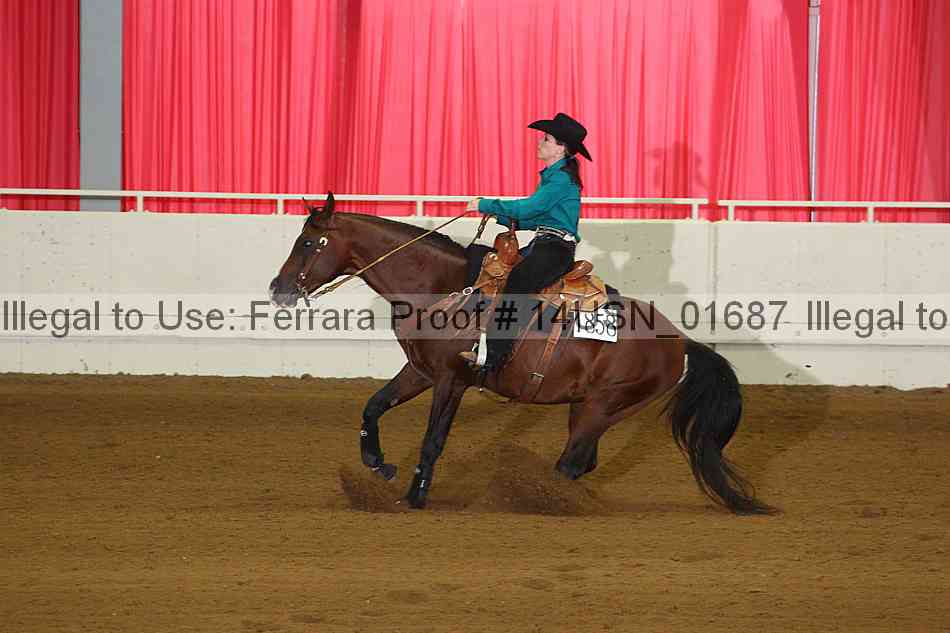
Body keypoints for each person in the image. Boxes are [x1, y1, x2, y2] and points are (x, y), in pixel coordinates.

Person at [460, 112, 592, 371]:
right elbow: (538, 218)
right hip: (546, 243)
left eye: (546, 139)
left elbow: (529, 208)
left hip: (555, 249)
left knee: (517, 282)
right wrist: (500, 217)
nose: (539, 142)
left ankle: (496, 356)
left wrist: (484, 204)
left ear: (560, 148)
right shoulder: (556, 177)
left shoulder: (561, 179)